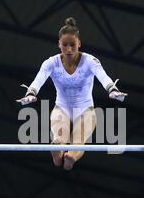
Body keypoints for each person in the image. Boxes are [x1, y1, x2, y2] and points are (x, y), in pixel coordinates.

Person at [17, 17, 128, 171]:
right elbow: (39, 79)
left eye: (73, 45)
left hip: (85, 110)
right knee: (59, 139)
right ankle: (58, 152)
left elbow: (102, 75)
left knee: (78, 139)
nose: (69, 49)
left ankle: (71, 157)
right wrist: (31, 93)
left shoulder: (90, 61)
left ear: (79, 44)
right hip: (61, 108)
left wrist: (112, 89)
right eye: (65, 45)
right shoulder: (51, 63)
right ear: (59, 44)